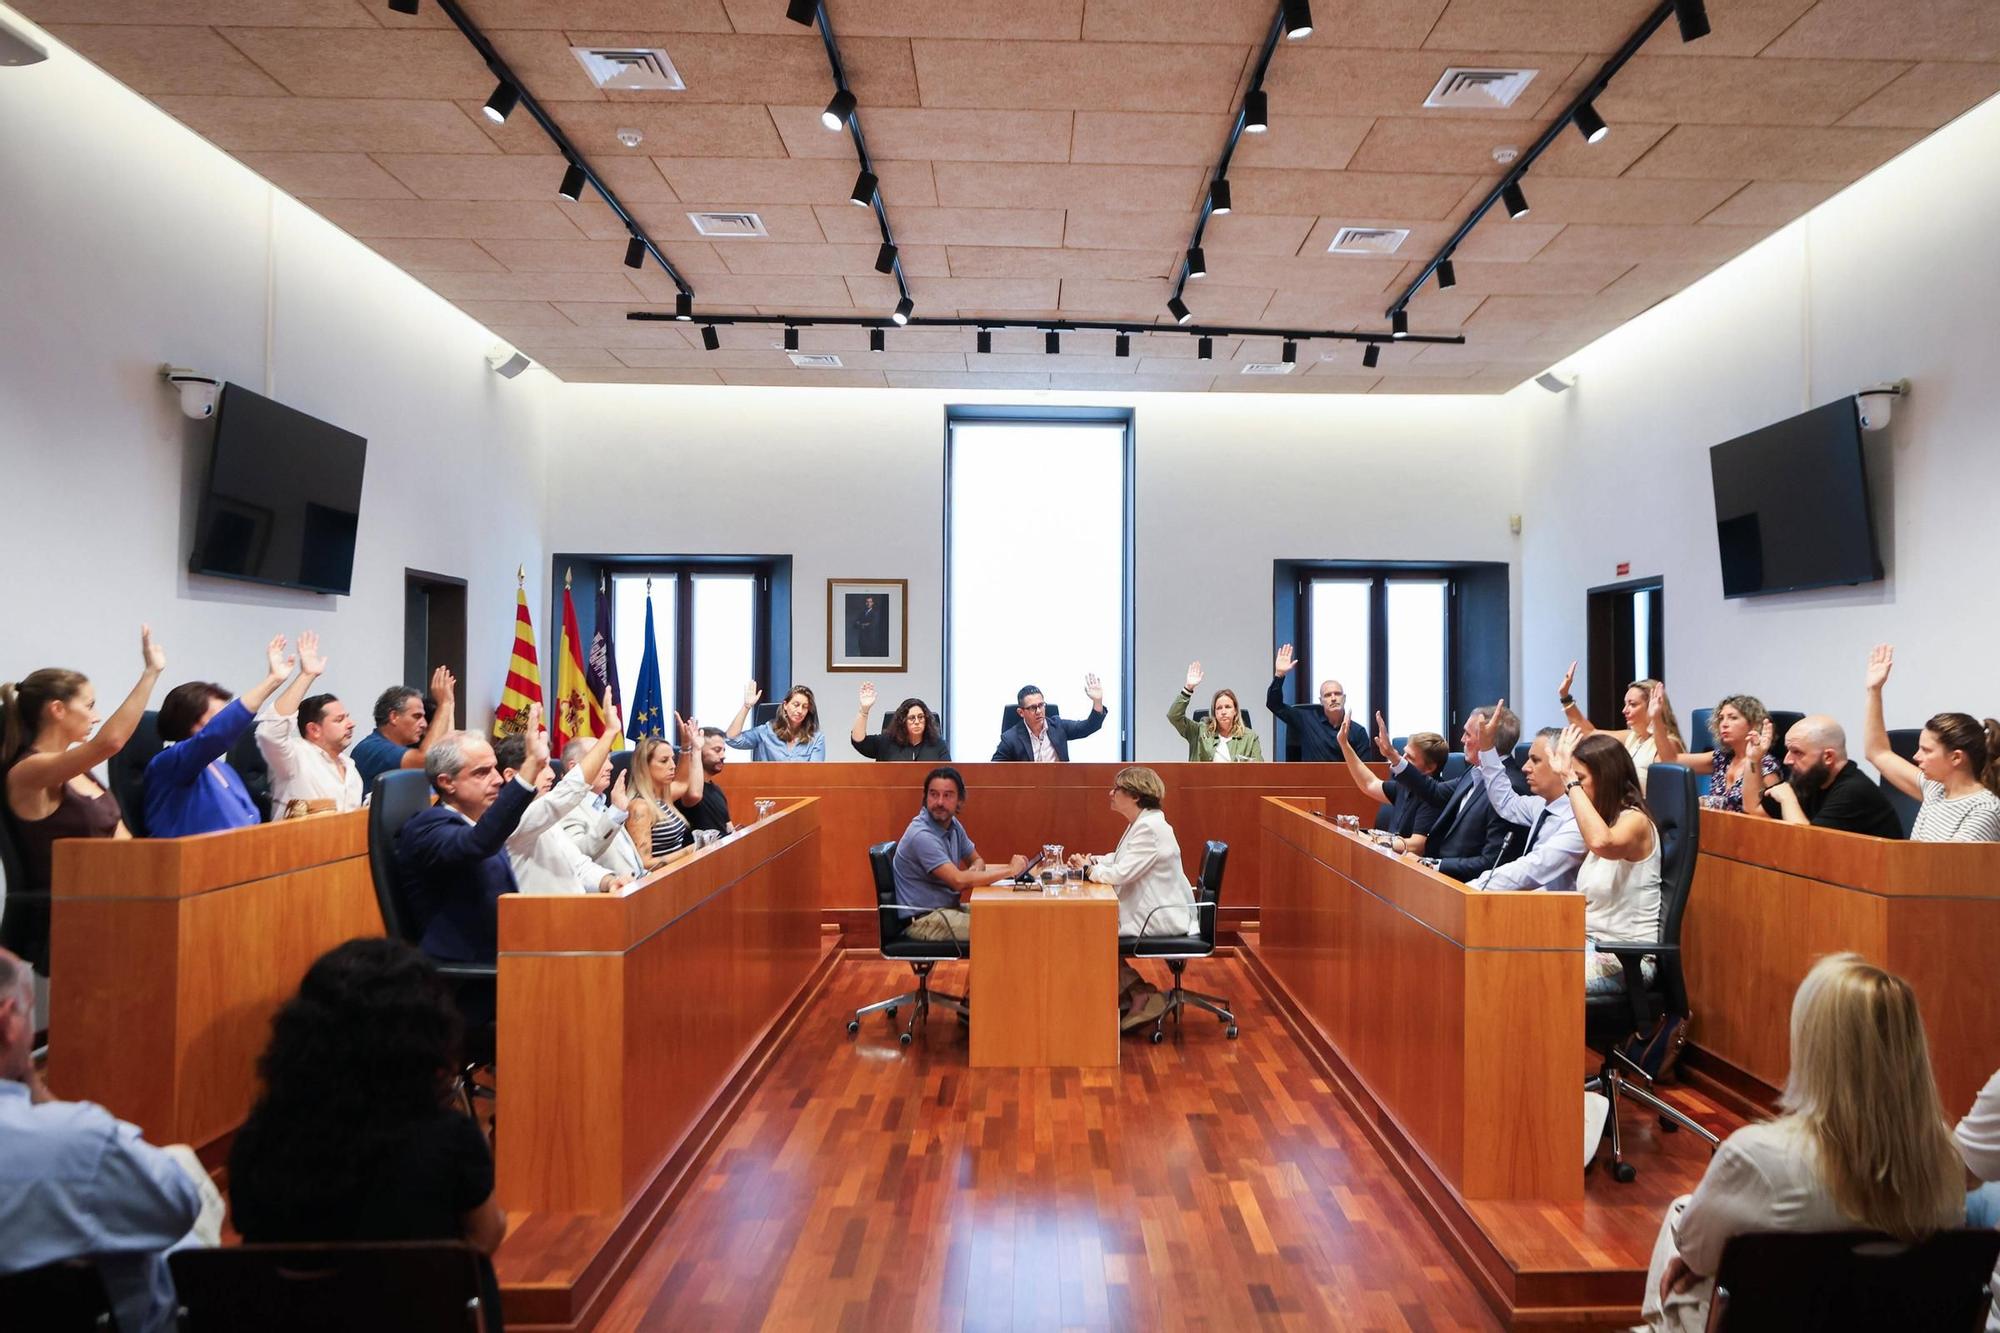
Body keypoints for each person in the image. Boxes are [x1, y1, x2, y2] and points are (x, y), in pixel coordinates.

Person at [1638, 953, 1963, 1333]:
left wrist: (1692, 1259)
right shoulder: (1946, 1161)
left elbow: (1696, 1252)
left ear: (1815, 1048)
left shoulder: (1758, 1157)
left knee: (1684, 1224)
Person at [228, 939, 506, 1328]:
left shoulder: (256, 1140)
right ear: (425, 1036)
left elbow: (254, 1248)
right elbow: (486, 1236)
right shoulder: (449, 1139)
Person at [0, 946, 213, 1333]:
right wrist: (40, 1094)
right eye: (28, 1010)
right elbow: (180, 1209)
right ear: (7, 1023)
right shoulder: (81, 1142)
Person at [1, 626, 165, 972]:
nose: (96, 715)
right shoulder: (27, 772)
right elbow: (111, 743)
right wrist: (150, 674)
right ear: (57, 709)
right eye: (89, 705)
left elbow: (124, 842)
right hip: (73, 918)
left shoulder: (80, 772)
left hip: (117, 902)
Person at [395, 704, 550, 967]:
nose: (498, 779)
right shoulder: (427, 828)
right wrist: (531, 766)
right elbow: (479, 843)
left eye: (494, 768)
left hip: (507, 955)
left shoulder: (477, 820)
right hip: (467, 974)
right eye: (481, 772)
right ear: (446, 782)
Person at [1068, 766, 1200, 1033]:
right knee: (1087, 931)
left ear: (1136, 796)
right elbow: (1120, 859)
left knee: (1090, 934)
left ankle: (1139, 993)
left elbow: (1121, 873)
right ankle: (1135, 993)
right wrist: (1092, 860)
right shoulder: (1144, 822)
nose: (1111, 793)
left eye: (1117, 789)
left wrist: (1088, 870)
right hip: (1153, 910)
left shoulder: (1150, 828)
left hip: (1158, 917)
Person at [1545, 727, 1662, 993]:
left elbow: (1602, 843)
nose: (1571, 790)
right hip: (1588, 945)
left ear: (1605, 778)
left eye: (1581, 778)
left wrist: (1568, 778)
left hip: (1626, 959)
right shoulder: (1605, 820)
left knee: (1540, 979)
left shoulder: (1635, 821)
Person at [143, 634, 295, 838]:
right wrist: (272, 681)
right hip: (194, 864)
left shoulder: (222, 769)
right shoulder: (169, 764)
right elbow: (216, 735)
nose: (229, 723)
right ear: (191, 722)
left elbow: (250, 821)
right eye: (219, 717)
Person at [1861, 644, 2000, 841]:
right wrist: (1874, 690)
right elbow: (1878, 753)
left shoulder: (1983, 809)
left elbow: (1947, 870)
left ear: (1956, 757)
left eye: (1926, 750)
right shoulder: (1935, 789)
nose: (1916, 757)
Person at [493, 710, 629, 895]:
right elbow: (564, 795)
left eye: (549, 765)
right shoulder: (509, 819)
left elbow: (578, 865)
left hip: (574, 913)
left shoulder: (544, 818)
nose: (551, 774)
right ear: (511, 776)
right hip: (543, 918)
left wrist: (609, 881)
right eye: (541, 767)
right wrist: (609, 733)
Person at [891, 767, 1026, 943]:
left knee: (1011, 918)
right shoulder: (921, 835)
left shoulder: (952, 824)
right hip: (924, 920)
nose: (939, 802)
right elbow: (958, 882)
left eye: (947, 795)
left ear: (960, 800)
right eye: (934, 794)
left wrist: (973, 871)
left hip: (946, 910)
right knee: (1001, 929)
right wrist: (1010, 870)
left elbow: (977, 860)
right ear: (925, 798)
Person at [1457, 712, 1586, 895]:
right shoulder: (1541, 805)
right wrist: (1486, 749)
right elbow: (1505, 801)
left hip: (1559, 915)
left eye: (1536, 760)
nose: (1525, 767)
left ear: (1562, 764)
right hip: (1529, 906)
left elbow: (1532, 868)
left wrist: (1474, 888)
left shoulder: (1577, 817)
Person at [1391, 705, 1522, 877]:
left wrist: (1432, 865)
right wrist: (1394, 758)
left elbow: (1492, 862)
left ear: (1487, 739)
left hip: (1465, 887)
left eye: (1468, 734)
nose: (1462, 740)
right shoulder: (1475, 771)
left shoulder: (1510, 787)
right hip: (1440, 876)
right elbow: (1435, 792)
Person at [253, 631, 362, 817]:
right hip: (298, 844)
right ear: (314, 729)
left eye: (347, 717)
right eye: (339, 719)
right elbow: (270, 732)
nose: (351, 724)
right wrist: (307, 675)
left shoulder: (349, 766)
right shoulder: (294, 757)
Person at [1760, 715, 1906, 838]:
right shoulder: (1813, 778)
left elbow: (1808, 846)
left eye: (1797, 752)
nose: (1787, 760)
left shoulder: (1853, 791)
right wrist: (1753, 760)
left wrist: (1788, 799)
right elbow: (1755, 810)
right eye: (1788, 751)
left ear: (1828, 757)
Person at [1657, 694, 1778, 814]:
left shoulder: (1766, 766)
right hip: (1714, 826)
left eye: (1733, 718)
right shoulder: (1722, 758)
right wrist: (1656, 718)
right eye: (1721, 718)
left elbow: (1771, 817)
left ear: (1753, 724)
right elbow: (1671, 760)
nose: (1724, 724)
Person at [1337, 710, 1448, 839]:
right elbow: (1369, 783)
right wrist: (1344, 745)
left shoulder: (1435, 797)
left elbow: (1416, 846)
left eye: (1410, 757)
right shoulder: (1404, 786)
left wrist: (1370, 839)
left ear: (1430, 768)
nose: (1402, 759)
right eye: (1404, 753)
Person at [1556, 663, 1681, 776]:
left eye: (1632, 704)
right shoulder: (1632, 737)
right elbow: (1589, 734)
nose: (1624, 710)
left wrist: (1656, 717)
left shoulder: (1669, 744)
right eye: (1625, 704)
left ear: (1653, 705)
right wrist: (1565, 697)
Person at [350, 667, 456, 790]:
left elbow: (448, 754)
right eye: (417, 716)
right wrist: (444, 704)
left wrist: (450, 703)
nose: (424, 724)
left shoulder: (406, 749)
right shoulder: (372, 748)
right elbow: (426, 760)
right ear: (394, 717)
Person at [556, 738, 645, 878]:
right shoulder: (566, 808)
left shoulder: (599, 802)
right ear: (574, 768)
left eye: (609, 759)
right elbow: (577, 855)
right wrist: (615, 813)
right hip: (610, 893)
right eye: (602, 759)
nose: (610, 766)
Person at [1265, 643, 1369, 760]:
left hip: (1346, 778)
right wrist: (1279, 675)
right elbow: (1274, 705)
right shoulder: (1306, 719)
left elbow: (1366, 769)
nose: (1333, 698)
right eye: (1328, 695)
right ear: (1321, 701)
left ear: (1344, 698)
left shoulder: (1358, 731)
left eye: (1337, 694)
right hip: (1311, 777)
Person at [626, 719, 704, 872]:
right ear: (644, 766)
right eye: (664, 761)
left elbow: (682, 782)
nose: (672, 766)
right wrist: (689, 851)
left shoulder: (662, 796)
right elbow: (644, 864)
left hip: (675, 874)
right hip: (657, 883)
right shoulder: (640, 807)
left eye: (672, 759)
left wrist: (687, 746)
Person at [991, 677, 1107, 762]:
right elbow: (993, 770)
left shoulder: (1058, 726)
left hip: (1058, 790)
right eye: (1032, 708)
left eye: (1041, 705)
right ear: (1021, 712)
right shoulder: (1010, 738)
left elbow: (1089, 727)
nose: (1038, 711)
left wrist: (1097, 701)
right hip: (1027, 793)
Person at [1167, 662, 1264, 762]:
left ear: (1235, 711)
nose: (1223, 712)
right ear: (1214, 713)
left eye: (1228, 707)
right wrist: (1188, 688)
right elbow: (1173, 716)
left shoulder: (1250, 737)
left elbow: (1259, 771)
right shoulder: (1199, 731)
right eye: (1219, 708)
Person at [727, 682, 825, 761]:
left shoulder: (816, 738)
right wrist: (746, 706)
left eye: (805, 707)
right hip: (767, 784)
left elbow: (814, 775)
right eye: (796, 705)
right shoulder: (766, 732)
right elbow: (732, 739)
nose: (800, 711)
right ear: (785, 705)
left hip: (799, 785)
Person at [850, 682, 949, 761]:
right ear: (902, 721)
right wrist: (864, 710)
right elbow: (859, 741)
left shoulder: (938, 744)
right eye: (912, 718)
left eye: (921, 717)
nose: (917, 722)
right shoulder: (886, 742)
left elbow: (948, 775)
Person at [677, 727, 734, 835]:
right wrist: (696, 749)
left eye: (723, 750)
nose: (723, 756)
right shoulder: (685, 788)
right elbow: (694, 795)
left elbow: (728, 827)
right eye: (717, 750)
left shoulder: (717, 790)